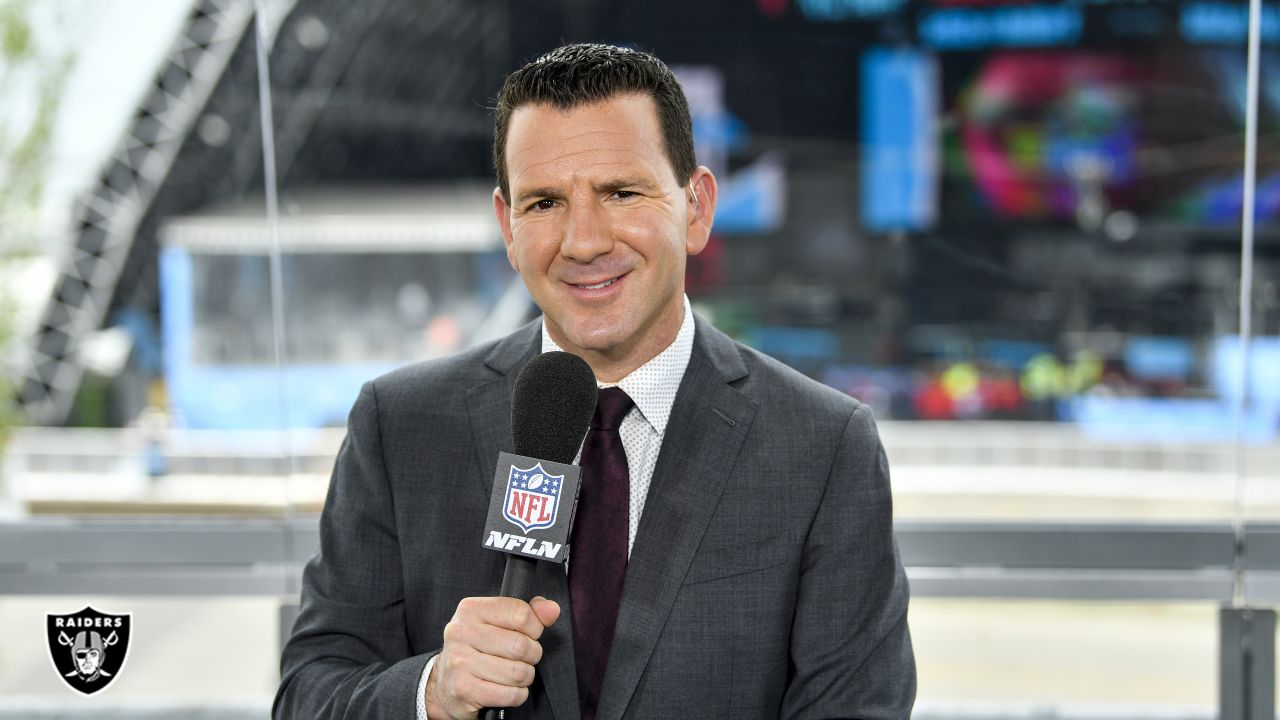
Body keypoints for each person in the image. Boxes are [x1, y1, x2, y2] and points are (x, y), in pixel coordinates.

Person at [274, 43, 915, 720]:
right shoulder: (399, 425)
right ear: (508, 228)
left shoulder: (823, 447)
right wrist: (432, 690)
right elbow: (309, 695)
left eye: (620, 192)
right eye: (545, 202)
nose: (583, 242)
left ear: (696, 207)